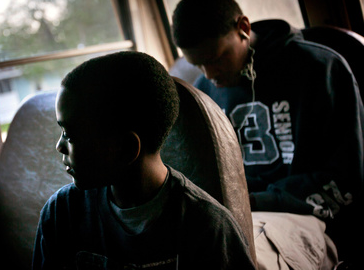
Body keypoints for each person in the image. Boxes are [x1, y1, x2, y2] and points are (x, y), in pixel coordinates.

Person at [172, 0, 364, 268]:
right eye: (198, 65)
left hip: (305, 212)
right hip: (235, 212)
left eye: (216, 58)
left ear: (243, 29)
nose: (210, 74)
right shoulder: (204, 90)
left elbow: (346, 175)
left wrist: (254, 201)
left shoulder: (320, 69)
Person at [32, 51, 256, 269]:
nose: (59, 146)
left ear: (127, 149)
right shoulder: (62, 214)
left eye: (70, 135)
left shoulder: (209, 229)